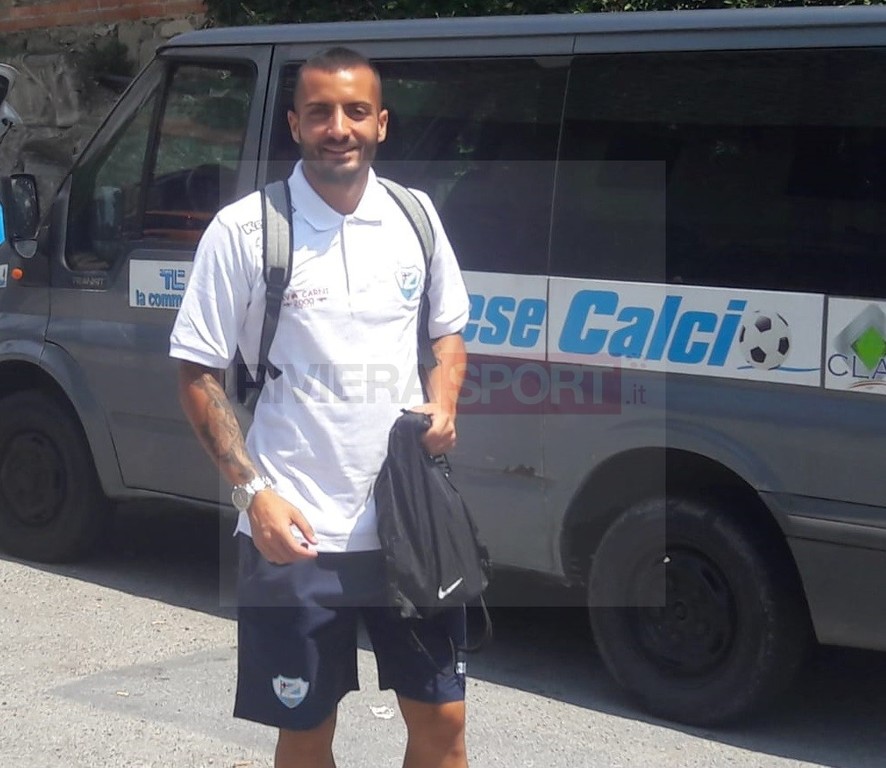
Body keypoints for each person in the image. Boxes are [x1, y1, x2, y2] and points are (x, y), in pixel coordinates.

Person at [169, 47, 470, 768]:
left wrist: (444, 400)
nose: (340, 128)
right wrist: (253, 495)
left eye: (356, 111)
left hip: (410, 526)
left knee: (444, 725)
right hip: (295, 532)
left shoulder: (415, 216)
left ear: (381, 123)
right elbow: (198, 373)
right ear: (295, 124)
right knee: (306, 734)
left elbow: (447, 333)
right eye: (321, 112)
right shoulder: (245, 230)